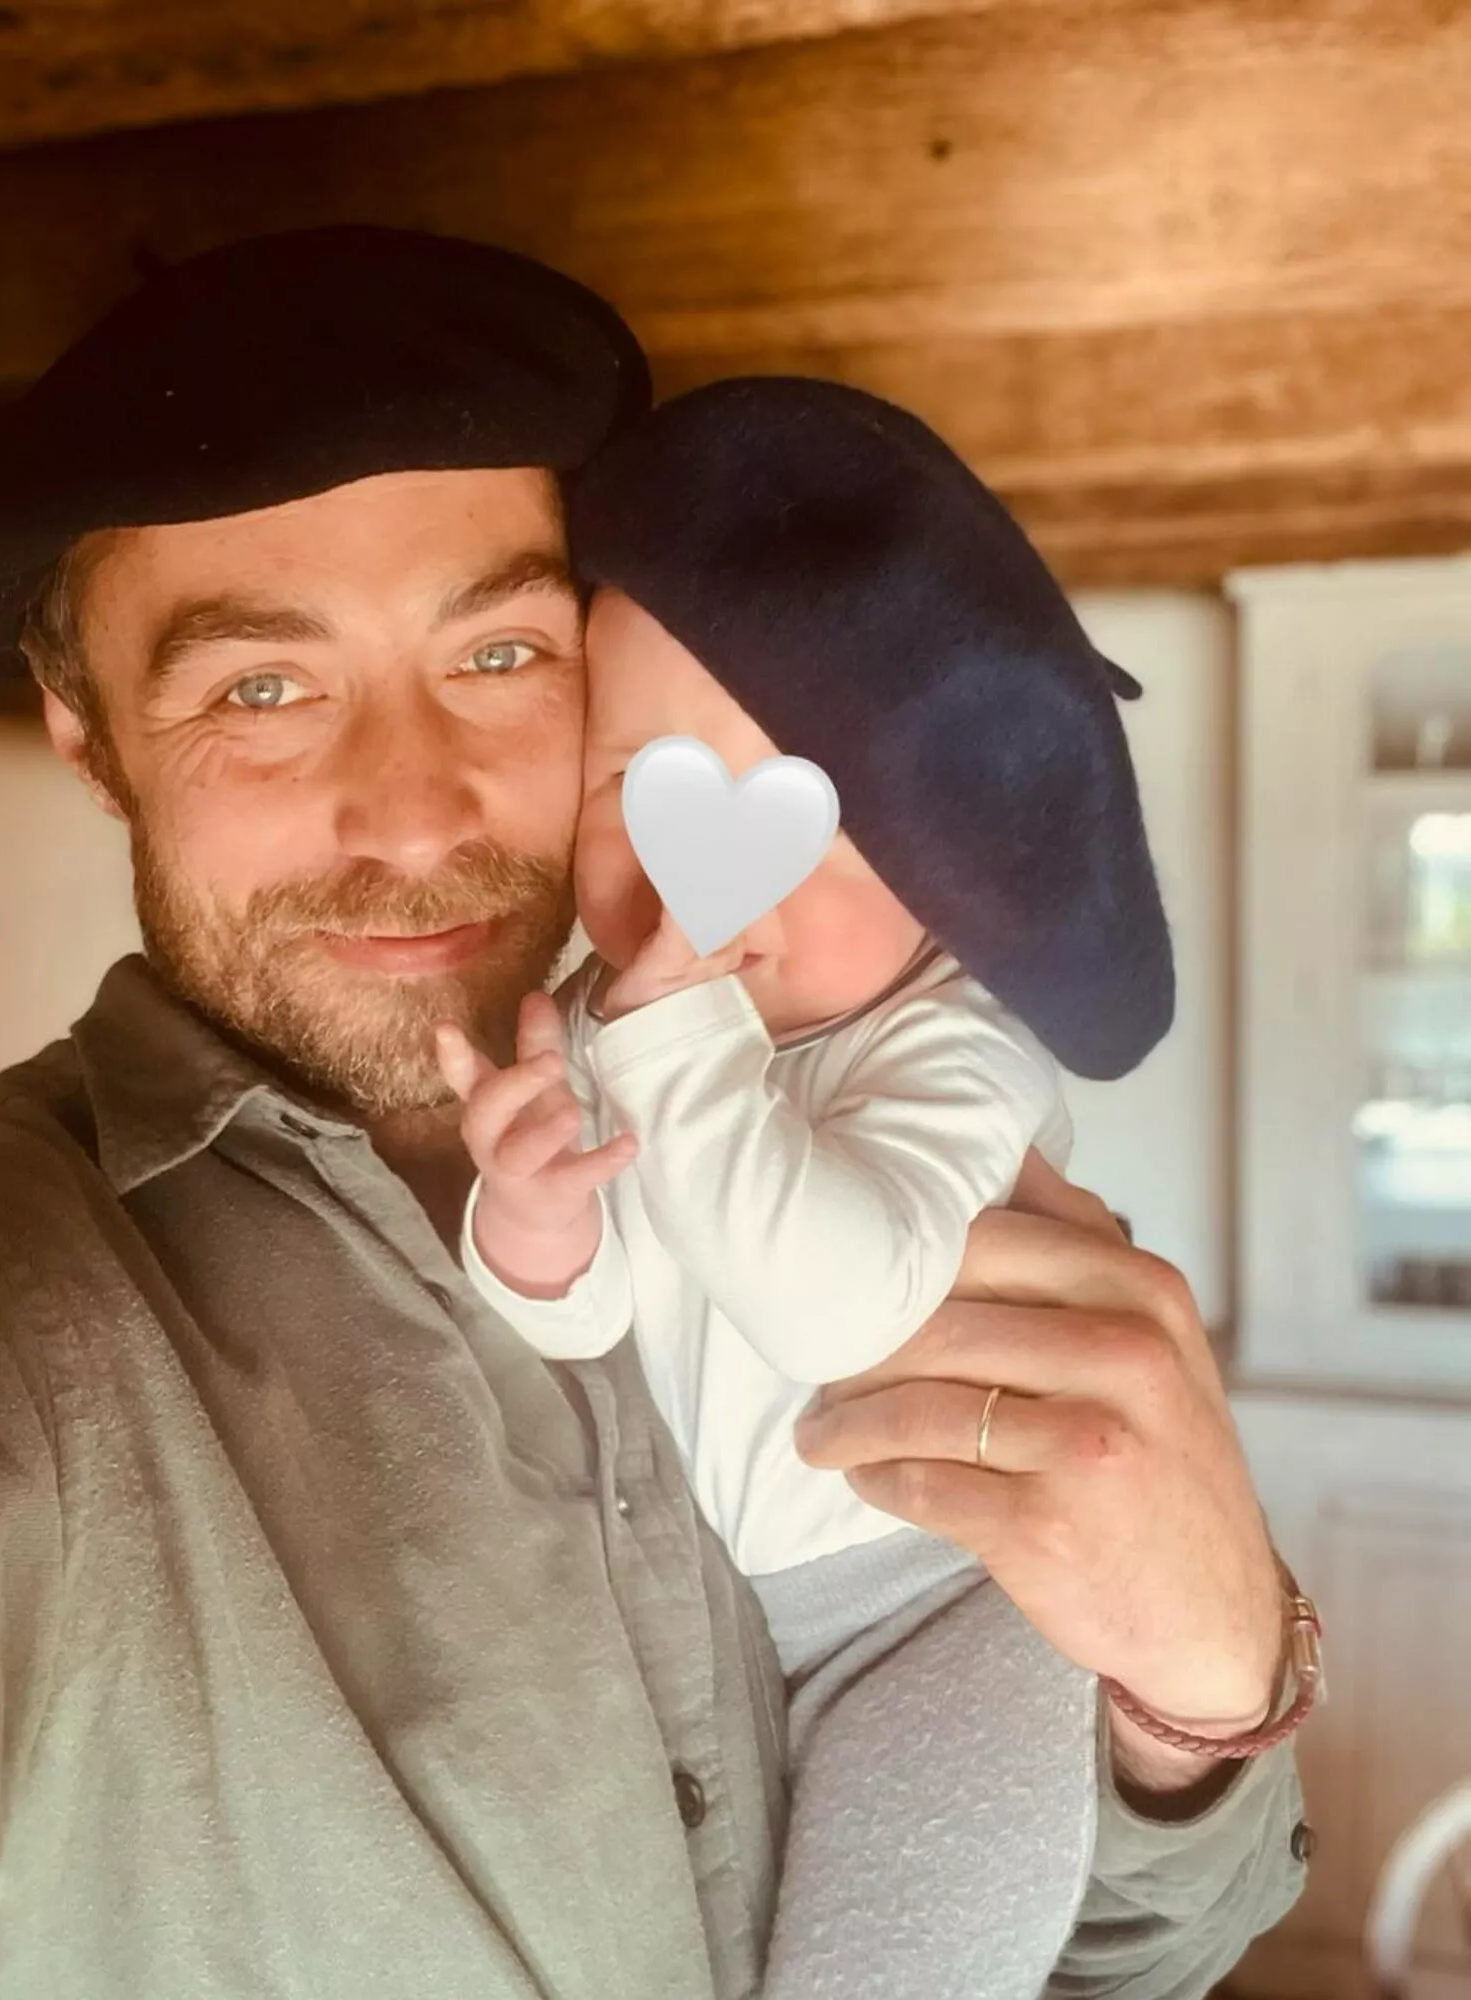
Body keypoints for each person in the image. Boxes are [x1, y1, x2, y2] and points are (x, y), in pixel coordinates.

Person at [0, 224, 1309, 2000]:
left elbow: (1142, 1953)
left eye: (497, 656)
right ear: (89, 737)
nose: (415, 814)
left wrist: (1200, 1698)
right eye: (263, 686)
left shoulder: (834, 1072)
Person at [437, 374, 1177, 1997]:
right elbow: (586, 1325)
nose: (705, 881)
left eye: (803, 823)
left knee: (908, 1948)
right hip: (708, 1606)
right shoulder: (620, 1026)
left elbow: (835, 1303)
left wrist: (668, 1038)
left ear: (942, 866)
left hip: (941, 1600)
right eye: (635, 790)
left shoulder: (953, 1052)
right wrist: (538, 1222)